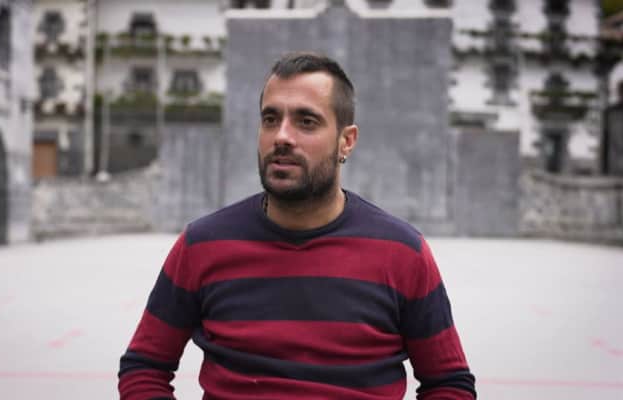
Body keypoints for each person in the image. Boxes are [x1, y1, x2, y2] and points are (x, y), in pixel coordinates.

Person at [118, 52, 476, 399]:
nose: (282, 137)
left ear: (346, 141)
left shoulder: (402, 253)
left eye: (306, 121)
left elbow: (449, 384)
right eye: (270, 119)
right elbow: (144, 368)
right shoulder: (202, 245)